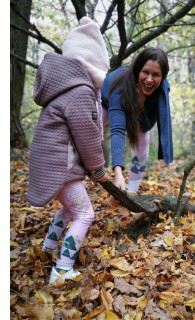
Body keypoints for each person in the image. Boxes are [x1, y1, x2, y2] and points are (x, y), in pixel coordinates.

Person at [27, 16, 110, 285]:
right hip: (61, 169)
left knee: (68, 209)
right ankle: (61, 271)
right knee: (85, 214)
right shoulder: (80, 91)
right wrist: (97, 169)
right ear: (95, 65)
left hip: (53, 165)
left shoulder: (64, 88)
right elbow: (86, 135)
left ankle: (47, 250)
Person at [101, 47, 173, 195]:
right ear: (137, 70)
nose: (149, 79)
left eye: (156, 75)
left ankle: (131, 192)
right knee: (91, 129)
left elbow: (146, 126)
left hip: (136, 108)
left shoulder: (161, 92)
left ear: (163, 77)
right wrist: (118, 174)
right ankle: (73, 171)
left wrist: (139, 107)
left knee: (144, 142)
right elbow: (118, 131)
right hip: (106, 103)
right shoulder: (120, 84)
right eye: (145, 72)